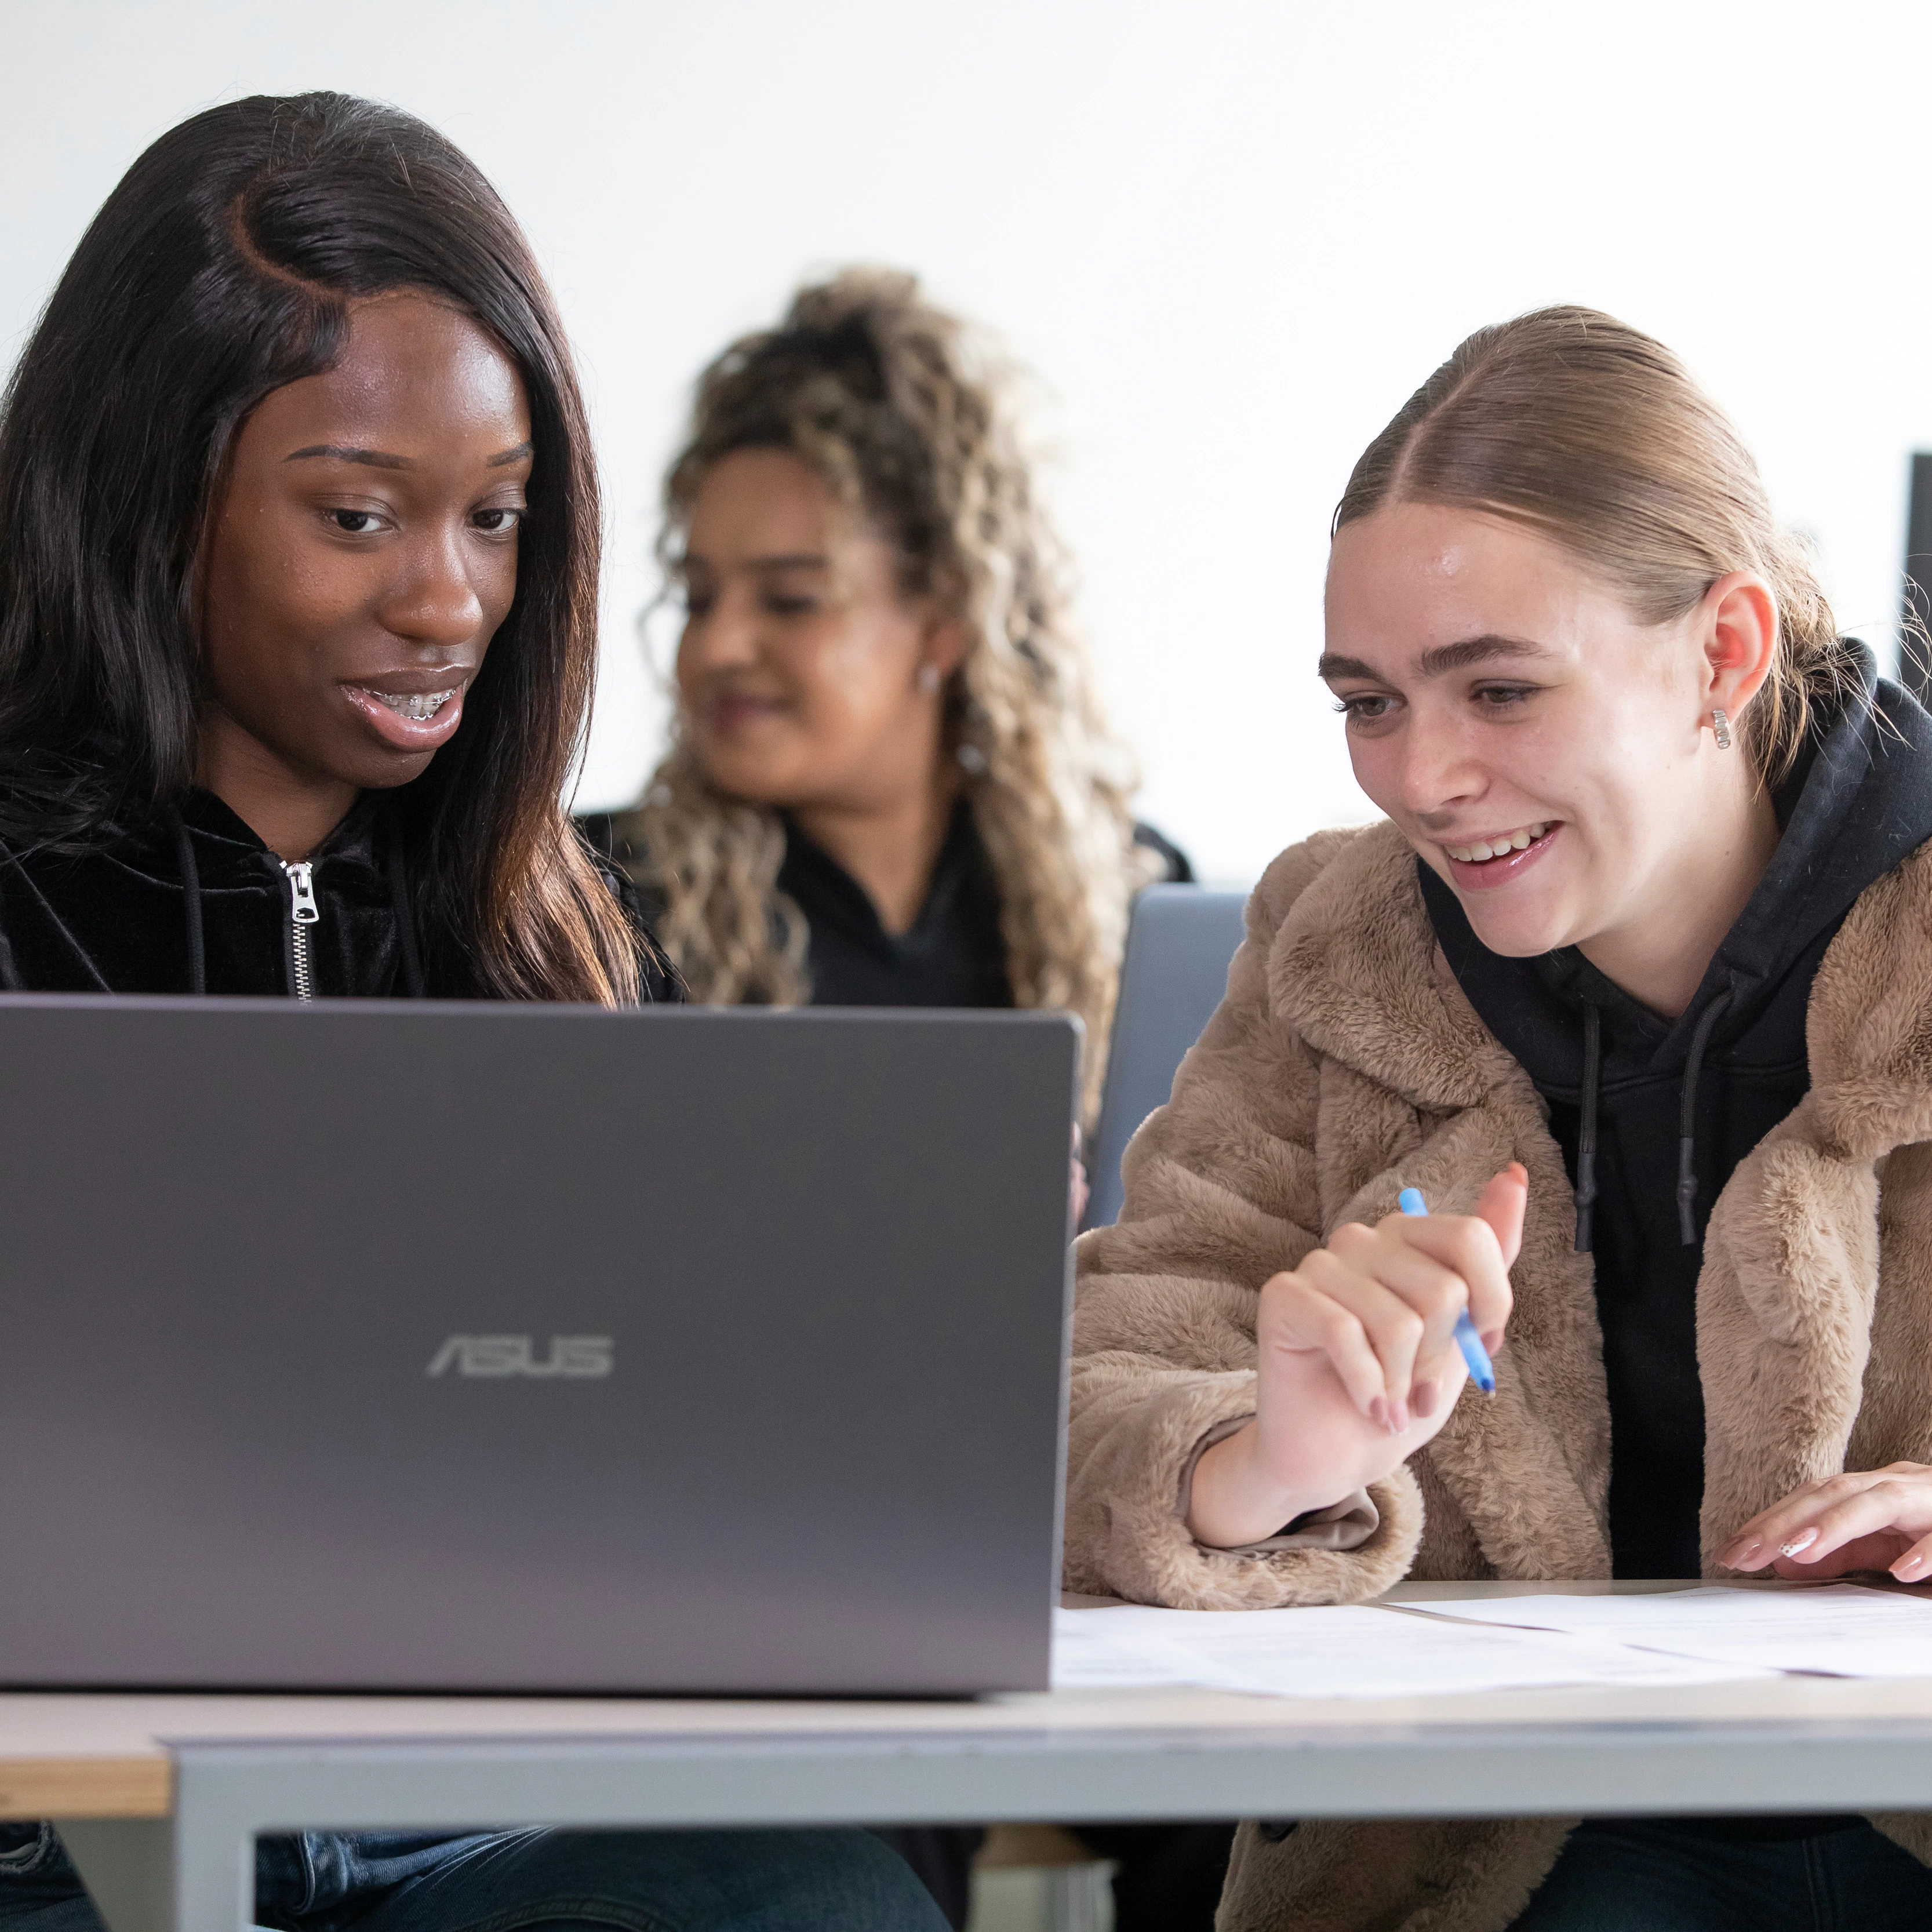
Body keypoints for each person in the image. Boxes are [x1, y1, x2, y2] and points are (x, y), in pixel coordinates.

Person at [0, 92, 944, 1932]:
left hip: (472, 1822)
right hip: (56, 1840)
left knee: (822, 1899)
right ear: (141, 493)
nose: (449, 599)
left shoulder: (546, 933)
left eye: (497, 517)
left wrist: (873, 1338)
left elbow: (659, 1482)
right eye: (357, 514)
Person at [1064, 305, 1932, 1932]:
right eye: (1369, 701)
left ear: (1723, 653)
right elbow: (1096, 1385)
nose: (1424, 775)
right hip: (1498, 1853)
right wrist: (1261, 1463)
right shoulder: (1336, 944)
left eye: (1498, 689)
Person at [587, 271, 1225, 1930]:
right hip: (773, 1588)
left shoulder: (1138, 908)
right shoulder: (597, 907)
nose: (720, 646)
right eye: (701, 591)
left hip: (1108, 1557)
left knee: (1272, 1838)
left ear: (942, 612)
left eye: (789, 598)